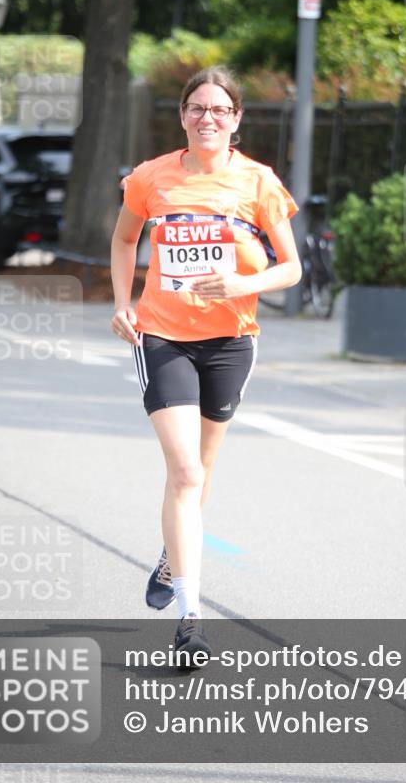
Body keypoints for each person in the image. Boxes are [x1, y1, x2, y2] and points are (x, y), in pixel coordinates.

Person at [110, 66, 301, 660]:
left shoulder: (258, 183)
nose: (208, 118)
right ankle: (192, 615)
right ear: (183, 115)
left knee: (202, 469)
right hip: (162, 335)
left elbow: (291, 269)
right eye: (198, 108)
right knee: (186, 472)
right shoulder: (151, 178)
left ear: (237, 119)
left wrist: (244, 280)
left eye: (220, 109)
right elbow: (123, 242)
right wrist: (122, 304)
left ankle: (172, 556)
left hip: (230, 341)